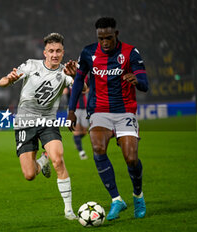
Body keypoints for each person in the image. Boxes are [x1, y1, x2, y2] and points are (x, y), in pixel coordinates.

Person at [68, 17, 148, 220]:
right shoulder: (88, 52)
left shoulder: (130, 52)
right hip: (99, 110)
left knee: (131, 158)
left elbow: (145, 83)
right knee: (97, 148)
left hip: (125, 111)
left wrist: (136, 80)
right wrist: (70, 110)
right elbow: (78, 81)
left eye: (109, 38)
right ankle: (116, 200)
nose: (105, 42)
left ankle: (138, 195)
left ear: (116, 35)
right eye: (101, 38)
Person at [0, 33, 85, 220]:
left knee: (59, 160)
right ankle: (43, 160)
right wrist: (11, 79)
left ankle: (69, 210)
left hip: (48, 121)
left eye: (58, 51)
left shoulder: (65, 72)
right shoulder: (31, 65)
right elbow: (2, 82)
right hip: (25, 122)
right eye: (51, 51)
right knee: (29, 175)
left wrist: (76, 76)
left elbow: (84, 88)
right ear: (45, 52)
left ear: (63, 53)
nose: (55, 54)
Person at [63, 79, 90, 160]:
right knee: (76, 130)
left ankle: (76, 140)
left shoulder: (84, 77)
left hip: (84, 108)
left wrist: (83, 90)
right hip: (73, 110)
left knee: (85, 131)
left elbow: (88, 88)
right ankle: (81, 152)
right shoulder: (68, 79)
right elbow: (65, 90)